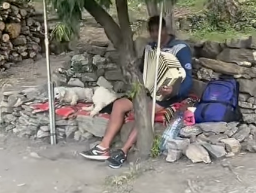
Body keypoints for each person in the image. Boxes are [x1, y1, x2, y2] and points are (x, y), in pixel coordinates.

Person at [80, 16, 193, 169]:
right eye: (152, 31)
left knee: (145, 110)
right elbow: (144, 71)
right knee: (119, 104)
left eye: (158, 30)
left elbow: (187, 79)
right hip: (149, 91)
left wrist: (173, 90)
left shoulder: (180, 48)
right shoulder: (150, 48)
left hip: (170, 96)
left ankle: (123, 151)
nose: (155, 34)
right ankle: (103, 148)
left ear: (165, 29)